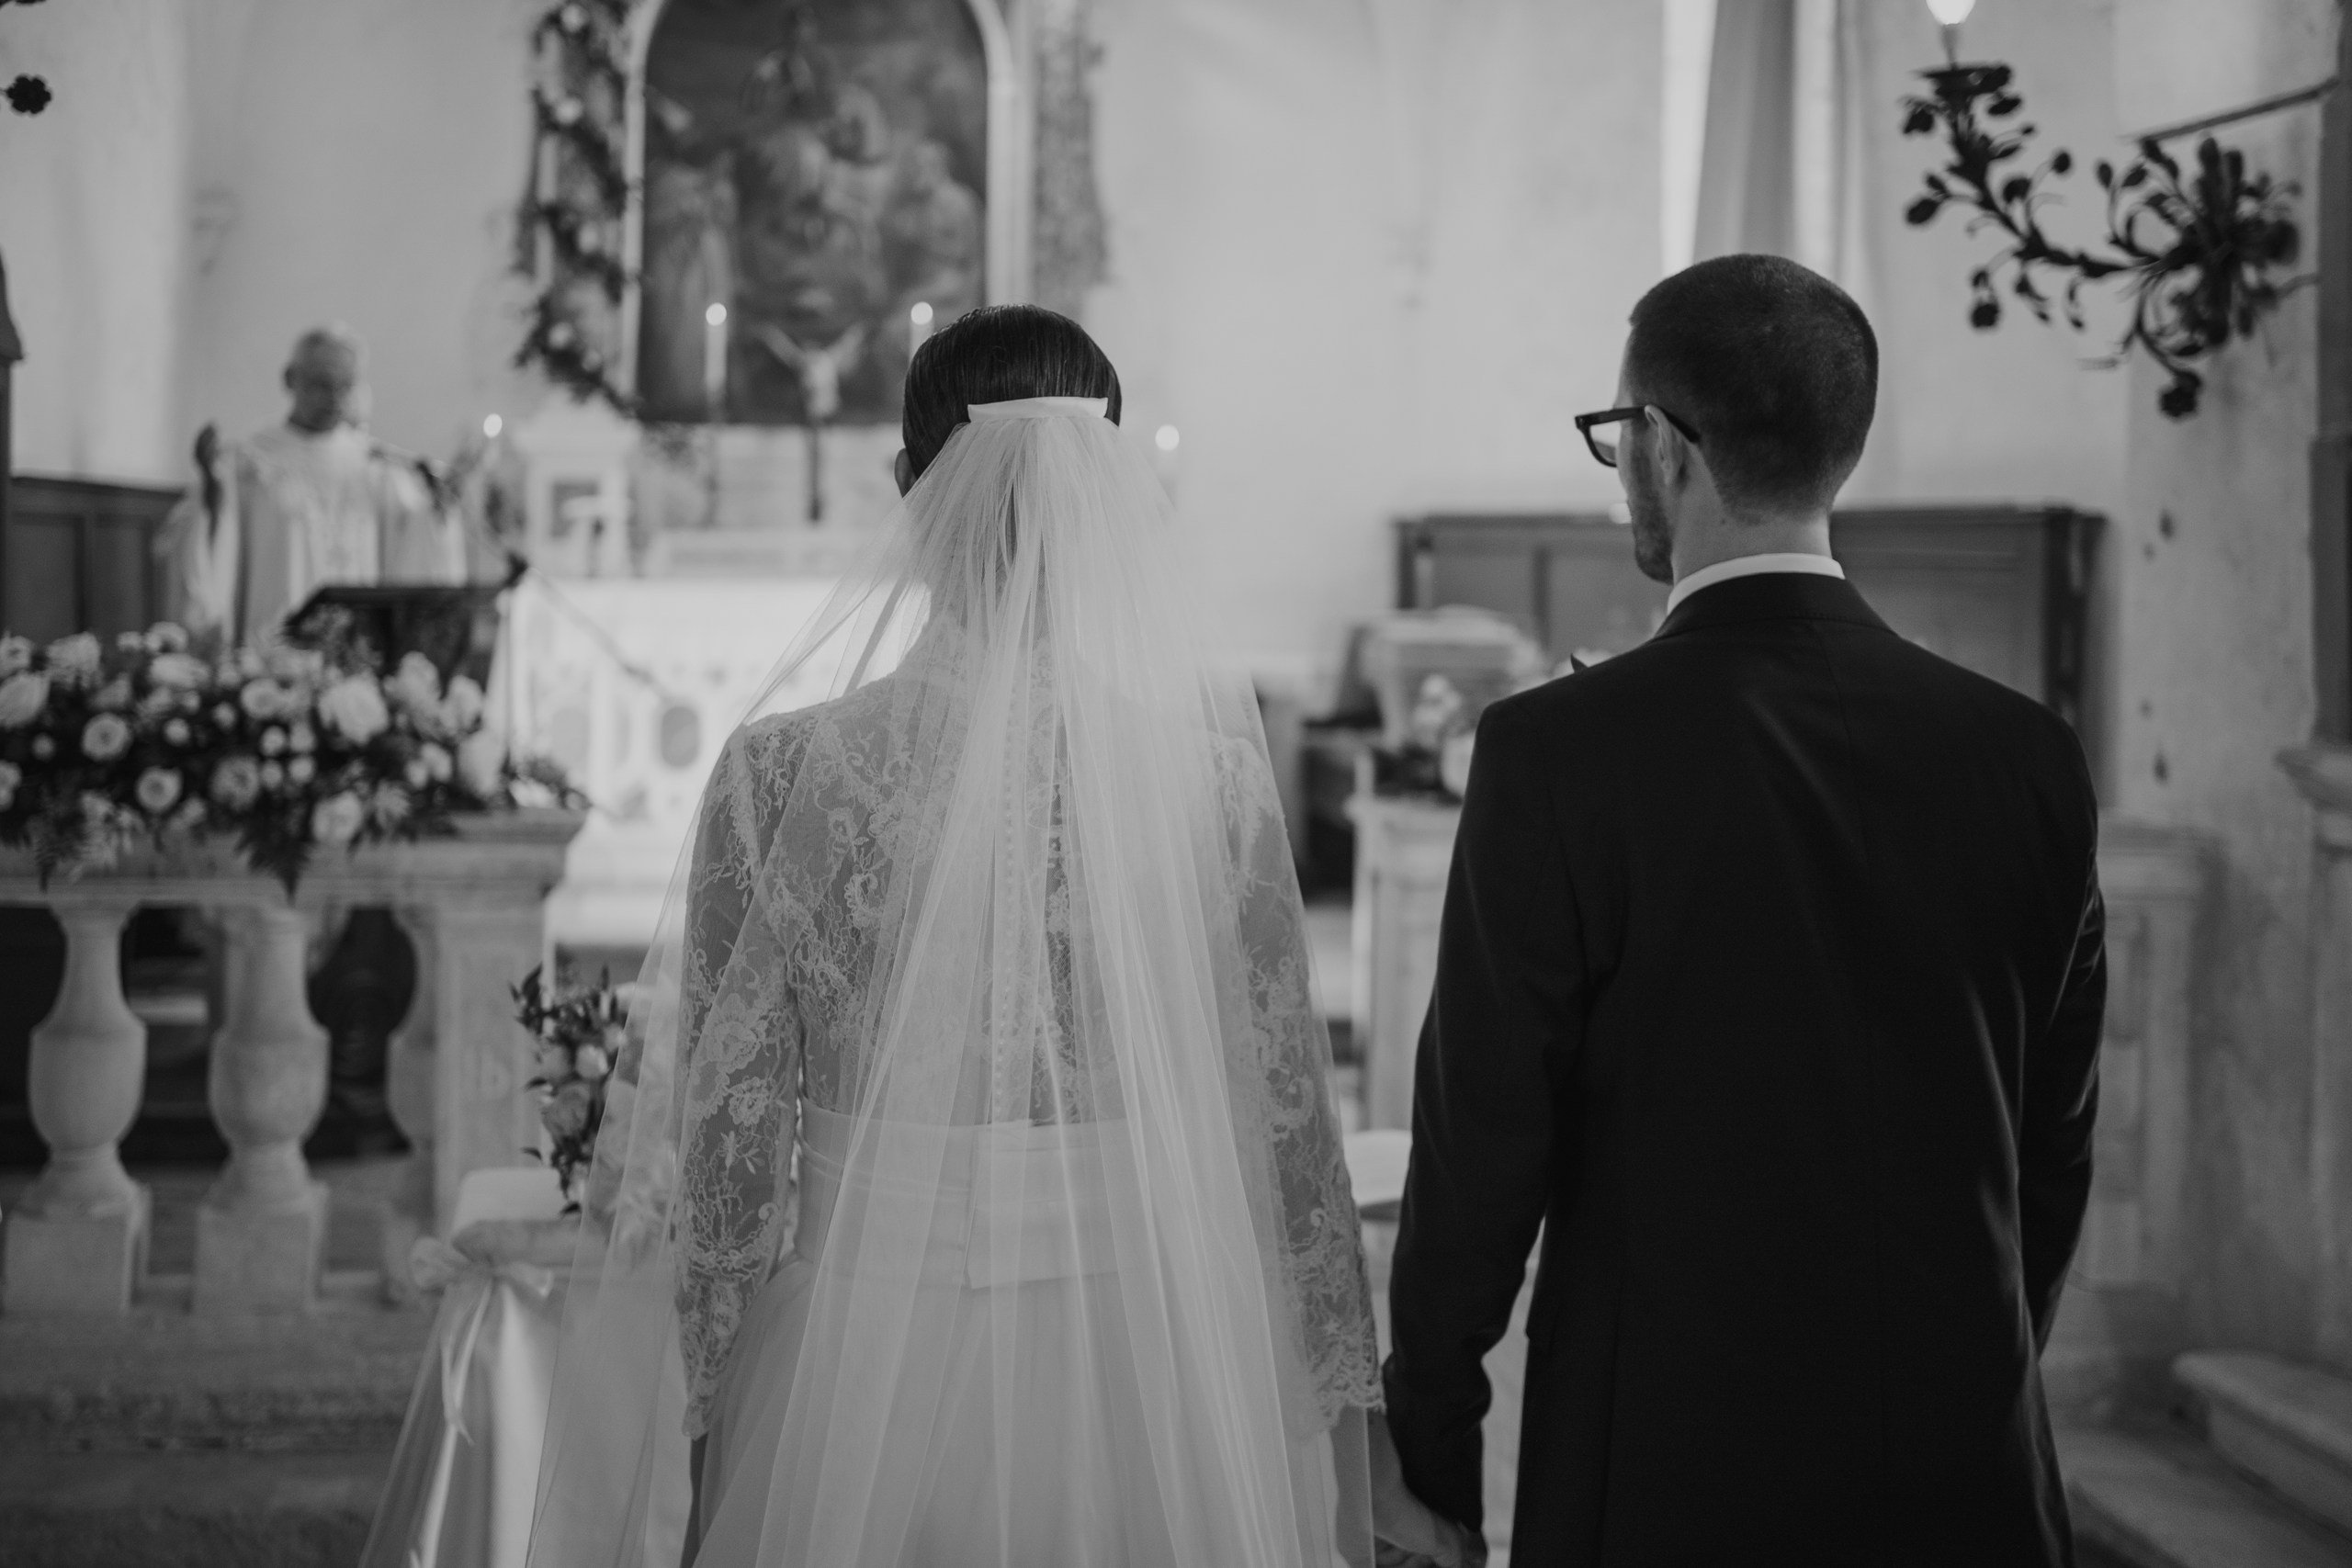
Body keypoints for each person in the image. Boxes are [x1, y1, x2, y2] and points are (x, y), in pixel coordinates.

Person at [529, 305, 1464, 1567]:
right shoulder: (1214, 784)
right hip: (1155, 1348)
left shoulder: (778, 775)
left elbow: (729, 1166)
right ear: (1112, 504)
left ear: (910, 493)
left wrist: (719, 1445)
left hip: (863, 1360)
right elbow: (1290, 1136)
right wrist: (1364, 1446)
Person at [1380, 254, 2107, 1566]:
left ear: (1663, 448)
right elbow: (2049, 1150)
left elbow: (1483, 1152)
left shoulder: (1560, 753)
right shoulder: (2029, 757)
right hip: (1968, 1475)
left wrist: (1432, 1449)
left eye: (1618, 437)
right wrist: (1969, 1370)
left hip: (1662, 1471)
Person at [154, 325, 463, 643]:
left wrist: (438, 507)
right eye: (321, 384)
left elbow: (415, 544)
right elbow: (212, 544)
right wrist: (212, 494)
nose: (334, 398)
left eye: (345, 386)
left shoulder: (376, 467)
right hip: (274, 647)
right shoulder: (251, 463)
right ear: (290, 378)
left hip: (355, 649)